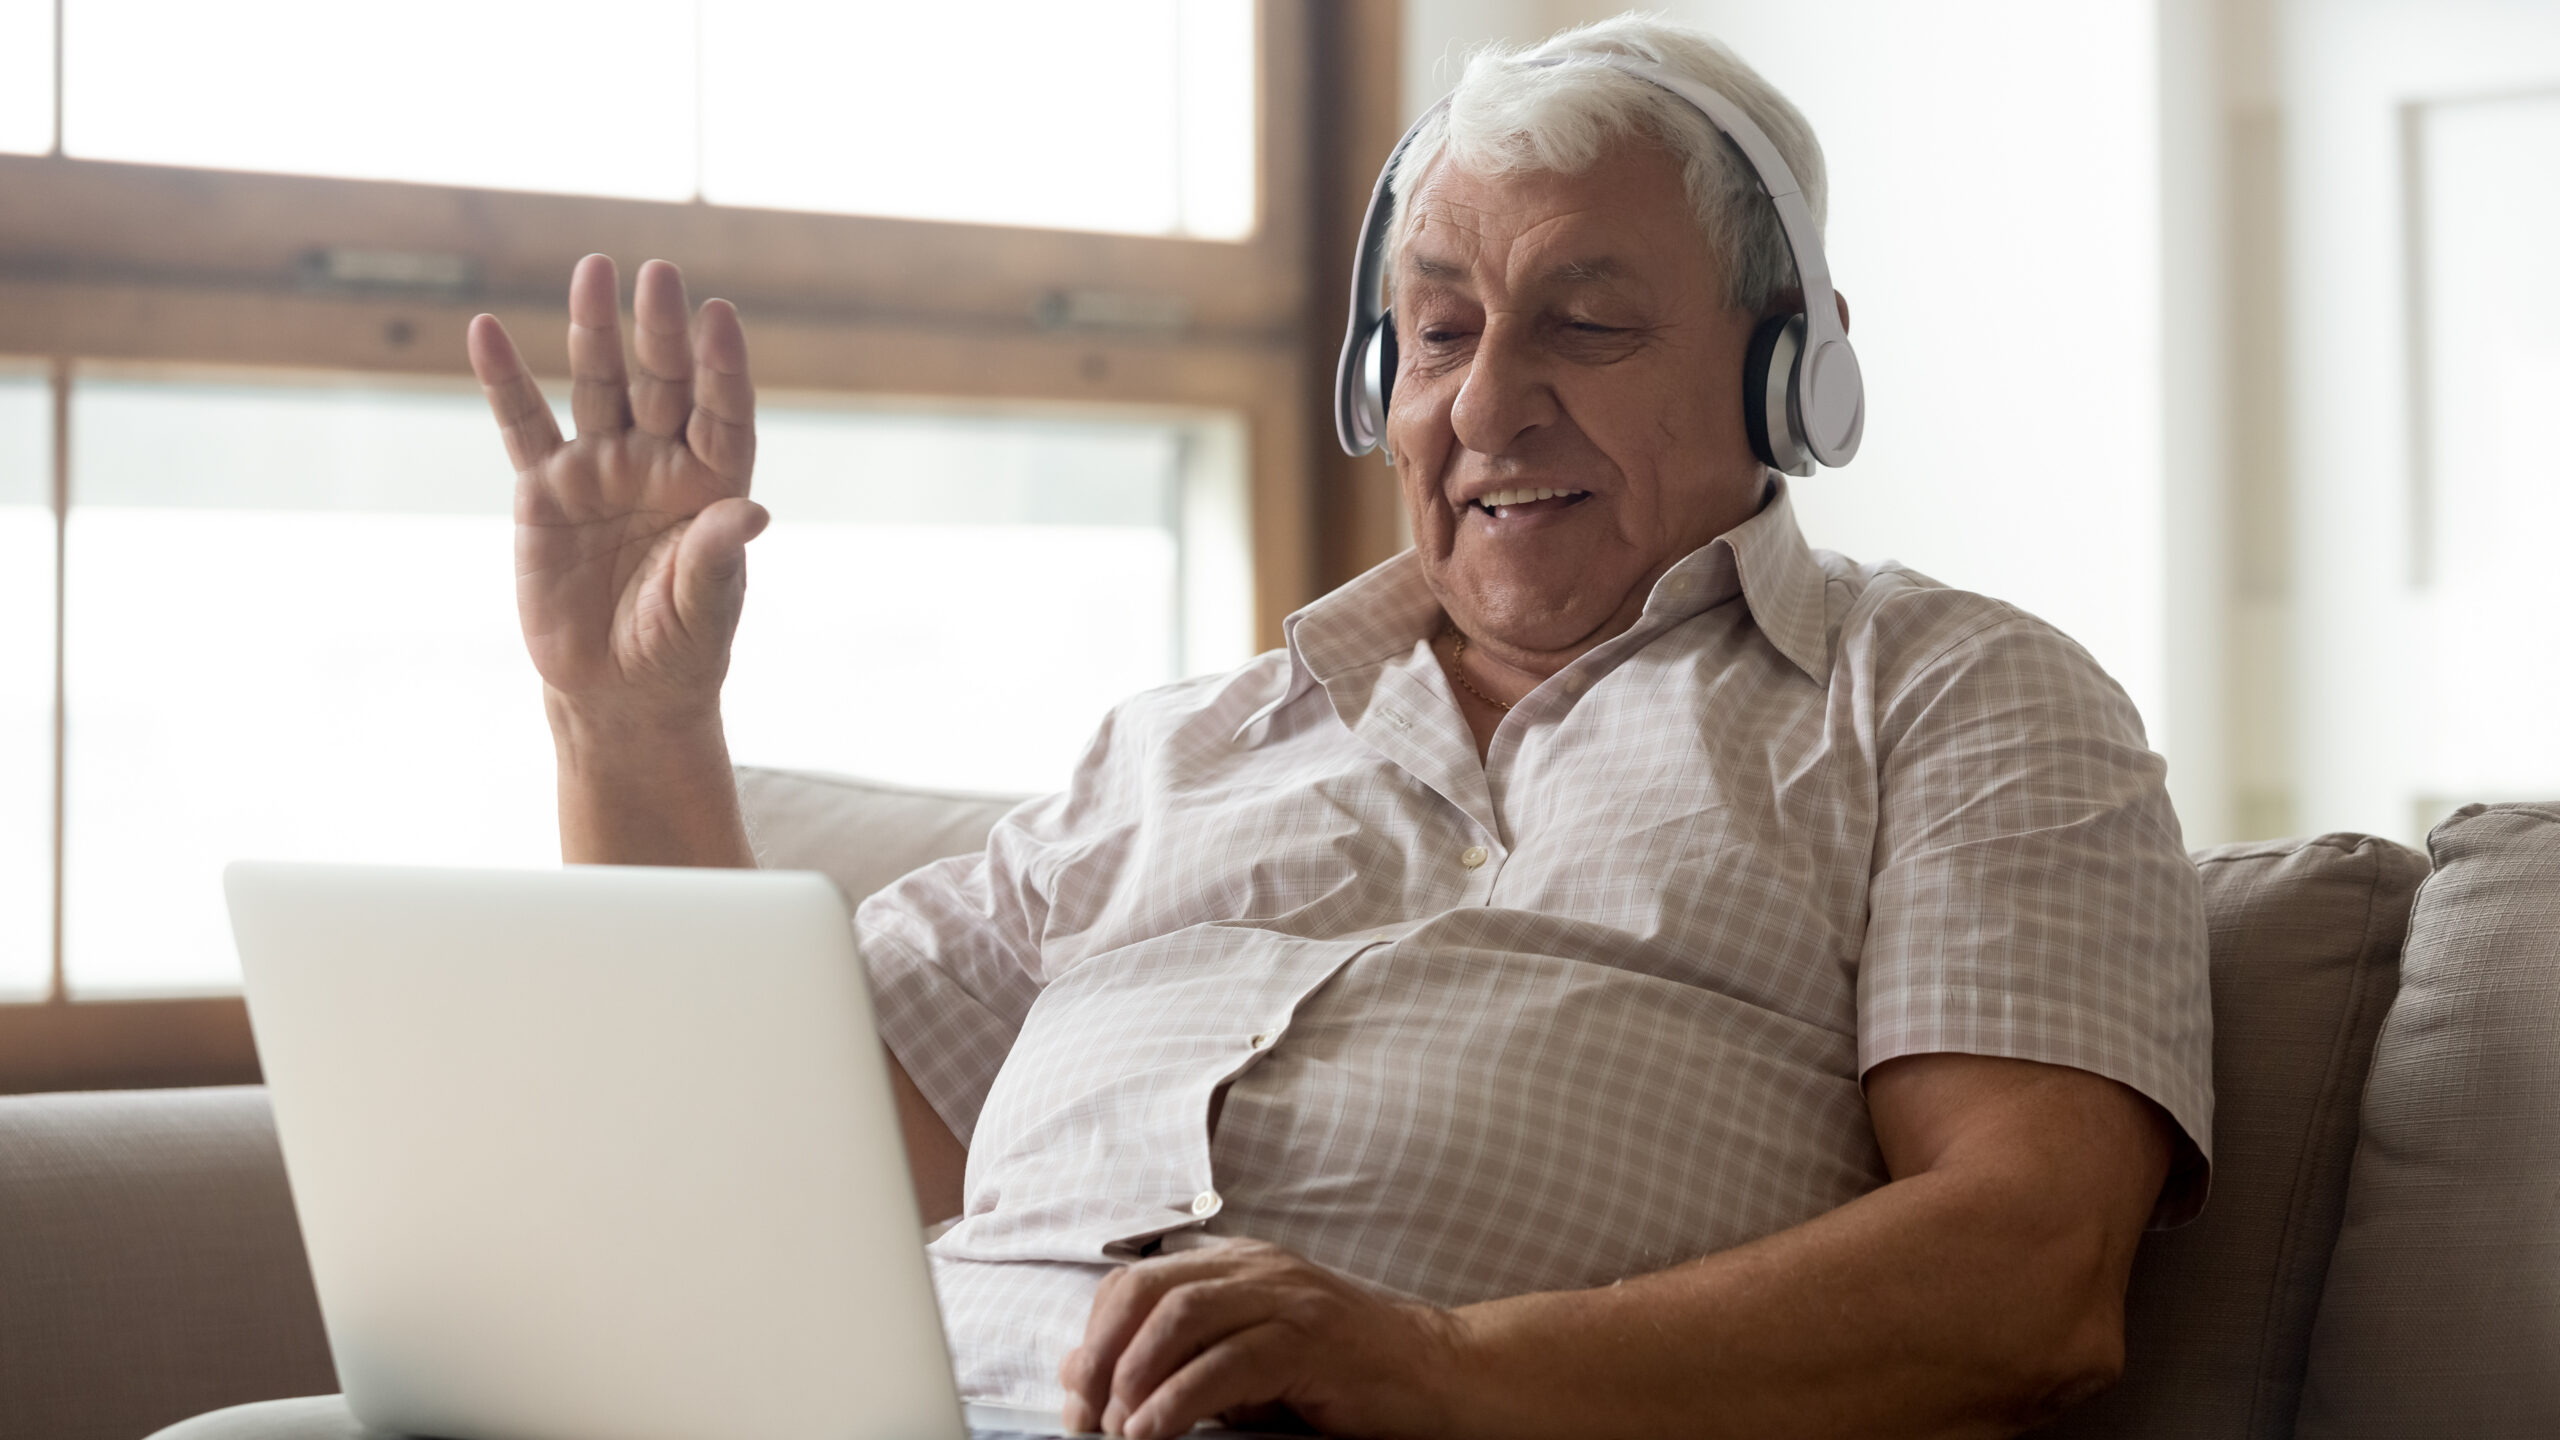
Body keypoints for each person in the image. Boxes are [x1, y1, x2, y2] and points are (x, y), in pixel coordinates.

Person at [467, 16, 2210, 1440]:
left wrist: (1442, 1371)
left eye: (1588, 325)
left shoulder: (1948, 696)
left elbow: (2029, 1277)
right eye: (1438, 329)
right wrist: (624, 722)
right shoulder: (1175, 751)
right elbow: (758, 1155)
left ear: (1792, 374)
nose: (1488, 403)